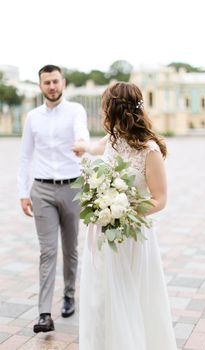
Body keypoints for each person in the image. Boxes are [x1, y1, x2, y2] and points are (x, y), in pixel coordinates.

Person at [73, 82, 177, 350]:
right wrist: (82, 146)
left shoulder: (149, 150)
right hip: (101, 236)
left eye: (104, 106)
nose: (101, 113)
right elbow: (97, 149)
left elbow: (160, 199)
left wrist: (119, 210)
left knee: (128, 299)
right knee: (100, 299)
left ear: (115, 109)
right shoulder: (112, 139)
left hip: (130, 236)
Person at [18, 64, 89, 333]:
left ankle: (69, 294)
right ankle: (44, 314)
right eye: (46, 82)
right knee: (47, 251)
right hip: (43, 190)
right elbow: (25, 157)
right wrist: (23, 192)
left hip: (73, 188)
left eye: (55, 81)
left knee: (70, 249)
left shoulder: (75, 111)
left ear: (64, 82)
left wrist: (81, 144)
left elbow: (81, 131)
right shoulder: (33, 117)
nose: (52, 86)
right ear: (40, 86)